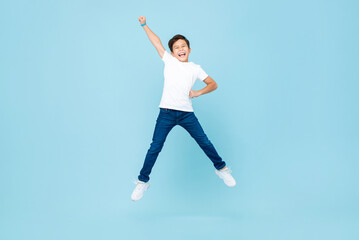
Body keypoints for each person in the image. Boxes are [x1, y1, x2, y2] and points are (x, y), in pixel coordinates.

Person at [131, 16, 236, 201]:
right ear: (172, 53)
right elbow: (156, 42)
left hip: (187, 114)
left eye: (183, 46)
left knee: (204, 142)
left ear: (189, 49)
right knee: (155, 147)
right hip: (166, 113)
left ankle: (222, 169)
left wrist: (197, 93)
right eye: (176, 47)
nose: (180, 49)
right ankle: (142, 182)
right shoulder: (169, 61)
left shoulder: (195, 68)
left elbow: (213, 84)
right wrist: (144, 25)